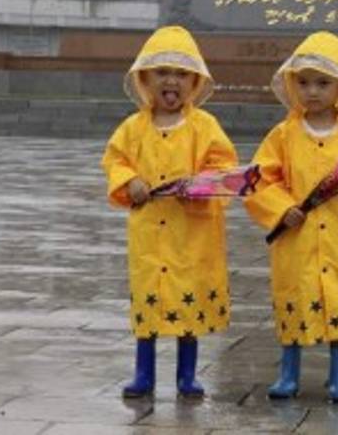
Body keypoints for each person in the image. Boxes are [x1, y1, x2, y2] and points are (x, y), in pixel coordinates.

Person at [244, 31, 338, 402]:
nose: (312, 91)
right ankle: (288, 373)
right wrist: (282, 208)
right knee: (296, 300)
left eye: (322, 83)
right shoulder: (283, 135)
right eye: (303, 83)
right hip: (297, 238)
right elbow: (260, 179)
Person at [101, 26, 237, 398]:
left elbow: (224, 167)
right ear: (145, 79)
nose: (171, 81)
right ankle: (143, 373)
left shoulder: (205, 127)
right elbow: (115, 160)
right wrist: (130, 181)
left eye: (181, 73)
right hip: (149, 233)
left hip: (190, 235)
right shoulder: (133, 128)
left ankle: (186, 375)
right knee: (148, 300)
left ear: (194, 82)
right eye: (162, 72)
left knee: (187, 303)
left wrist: (200, 186)